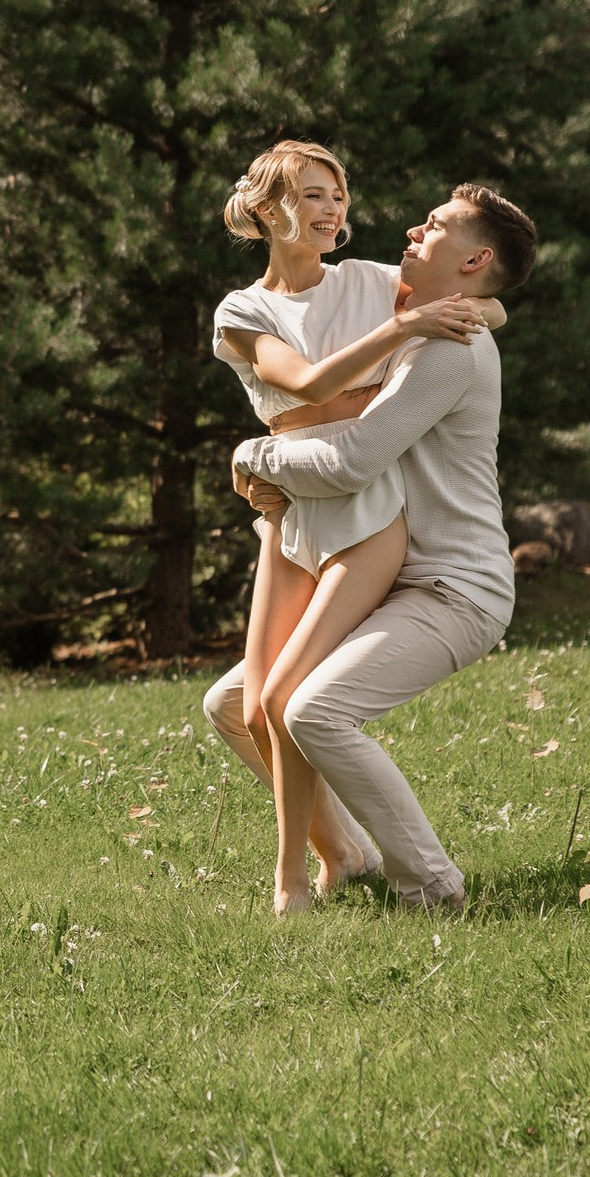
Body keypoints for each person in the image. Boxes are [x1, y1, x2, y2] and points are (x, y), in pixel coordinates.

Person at [213, 181, 538, 910]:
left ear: (475, 256)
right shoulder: (431, 319)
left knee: (313, 709)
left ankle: (432, 884)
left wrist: (254, 458)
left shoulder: (452, 349)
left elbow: (354, 459)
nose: (416, 226)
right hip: (400, 576)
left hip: (454, 589)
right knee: (234, 702)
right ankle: (347, 850)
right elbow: (489, 302)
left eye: (439, 225)